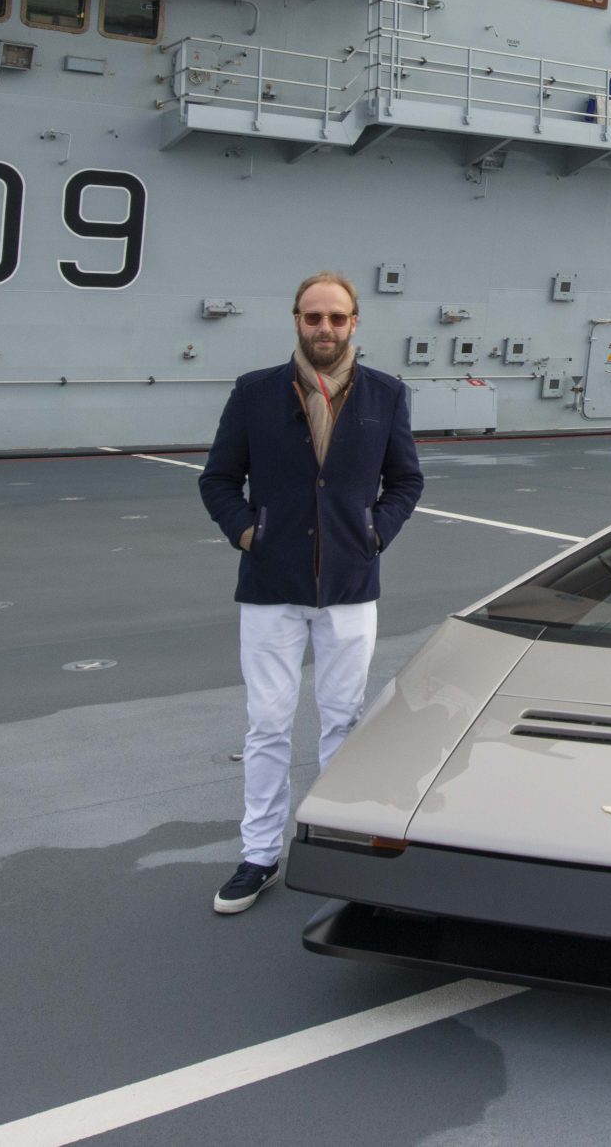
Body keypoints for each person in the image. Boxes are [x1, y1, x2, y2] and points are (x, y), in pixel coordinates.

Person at [197, 270, 423, 914]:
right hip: (271, 585)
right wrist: (248, 534)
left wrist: (375, 534)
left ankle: (338, 845)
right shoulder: (254, 393)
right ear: (296, 320)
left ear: (355, 324)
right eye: (313, 317)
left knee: (343, 721)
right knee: (267, 724)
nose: (324, 328)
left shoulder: (386, 393)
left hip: (351, 586)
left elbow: (406, 480)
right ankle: (259, 855)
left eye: (337, 318)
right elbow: (218, 480)